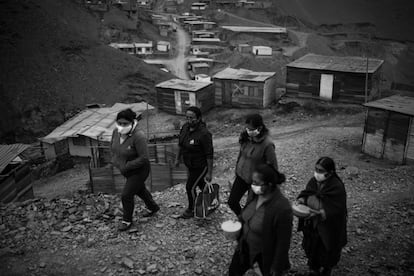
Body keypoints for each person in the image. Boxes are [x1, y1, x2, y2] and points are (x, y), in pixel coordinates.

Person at [228, 164, 292, 276]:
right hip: (244, 247)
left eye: (257, 183)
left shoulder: (282, 208)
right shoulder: (255, 195)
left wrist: (277, 267)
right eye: (252, 182)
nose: (253, 186)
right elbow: (246, 213)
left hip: (262, 254)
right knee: (233, 272)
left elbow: (283, 242)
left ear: (270, 185)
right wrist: (237, 224)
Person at [297, 157, 347, 276]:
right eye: (316, 169)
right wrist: (301, 200)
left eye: (320, 170)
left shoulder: (337, 187)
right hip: (312, 225)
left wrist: (321, 213)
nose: (317, 173)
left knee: (327, 250)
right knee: (311, 247)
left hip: (328, 228)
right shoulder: (313, 181)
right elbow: (307, 193)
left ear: (330, 173)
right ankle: (313, 268)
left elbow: (337, 209)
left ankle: (326, 270)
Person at [111, 108, 160, 231]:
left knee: (126, 194)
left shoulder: (138, 136)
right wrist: (116, 162)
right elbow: (114, 149)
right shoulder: (115, 133)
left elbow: (144, 158)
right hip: (125, 170)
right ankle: (153, 207)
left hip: (140, 170)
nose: (121, 126)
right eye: (119, 123)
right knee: (139, 189)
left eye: (125, 124)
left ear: (132, 122)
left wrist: (126, 166)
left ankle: (127, 221)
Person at [228, 114, 278, 217]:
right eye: (247, 128)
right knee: (232, 202)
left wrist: (268, 186)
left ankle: (248, 223)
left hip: (256, 181)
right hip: (241, 176)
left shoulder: (267, 145)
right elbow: (240, 155)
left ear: (259, 128)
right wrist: (236, 172)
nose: (248, 131)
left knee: (251, 208)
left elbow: (273, 167)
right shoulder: (246, 138)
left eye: (251, 129)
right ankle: (242, 218)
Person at [175, 106, 214, 219]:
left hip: (201, 166)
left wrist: (209, 173)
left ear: (199, 118)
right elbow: (181, 144)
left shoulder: (204, 134)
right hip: (189, 164)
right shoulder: (185, 128)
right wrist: (177, 159)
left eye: (192, 118)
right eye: (187, 118)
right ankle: (212, 198)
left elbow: (209, 154)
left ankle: (191, 209)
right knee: (200, 184)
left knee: (190, 187)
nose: (189, 120)